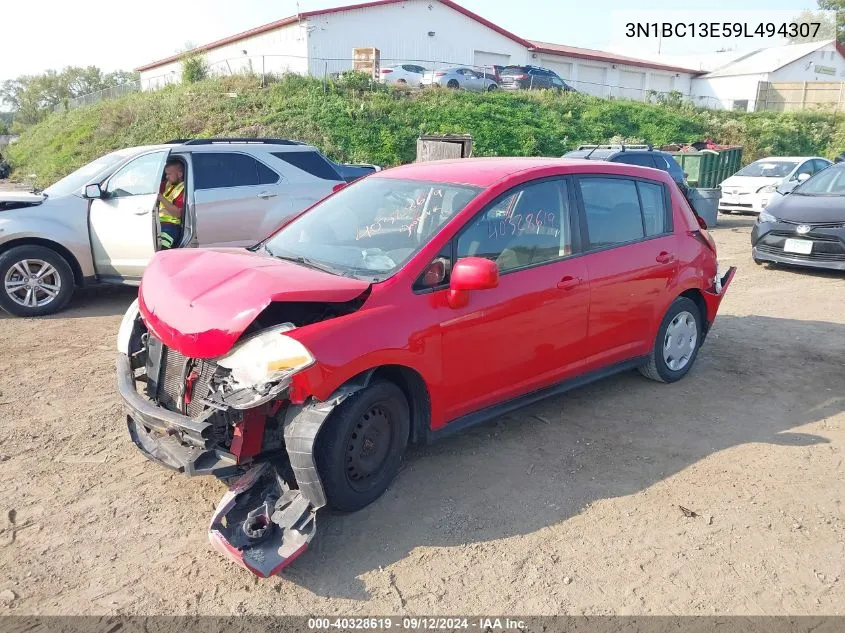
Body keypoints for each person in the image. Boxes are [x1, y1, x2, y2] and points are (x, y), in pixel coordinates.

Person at [157, 160, 185, 249]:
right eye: (166, 174)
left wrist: (160, 197)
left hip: (170, 226)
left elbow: (177, 213)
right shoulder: (167, 183)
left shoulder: (184, 188)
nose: (166, 177)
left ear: (180, 174)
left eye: (169, 174)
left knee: (162, 249)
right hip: (159, 223)